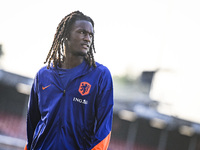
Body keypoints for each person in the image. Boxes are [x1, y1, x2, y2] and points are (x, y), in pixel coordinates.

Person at [24, 11, 113, 150]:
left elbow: (105, 128)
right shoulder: (43, 75)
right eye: (82, 32)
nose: (88, 38)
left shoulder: (100, 75)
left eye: (90, 35)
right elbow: (32, 123)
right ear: (66, 35)